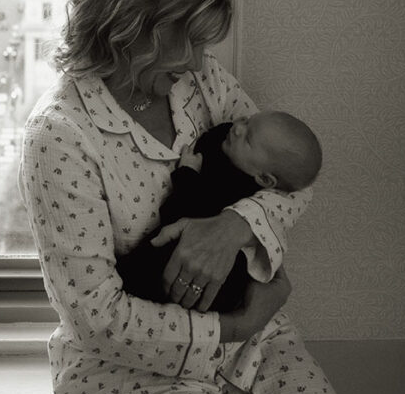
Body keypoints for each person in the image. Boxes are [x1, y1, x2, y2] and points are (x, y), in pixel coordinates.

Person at [18, 0, 372, 394]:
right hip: (132, 371)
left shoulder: (203, 87)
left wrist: (236, 225)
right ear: (131, 28)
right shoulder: (60, 137)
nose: (200, 61)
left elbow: (295, 178)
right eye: (188, 42)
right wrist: (232, 327)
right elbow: (95, 318)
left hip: (255, 342)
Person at [116, 111, 322, 312]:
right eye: (247, 121)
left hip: (187, 282)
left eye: (248, 139)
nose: (238, 128)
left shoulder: (234, 187)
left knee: (142, 272)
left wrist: (186, 174)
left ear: (264, 180)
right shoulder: (236, 147)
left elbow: (183, 214)